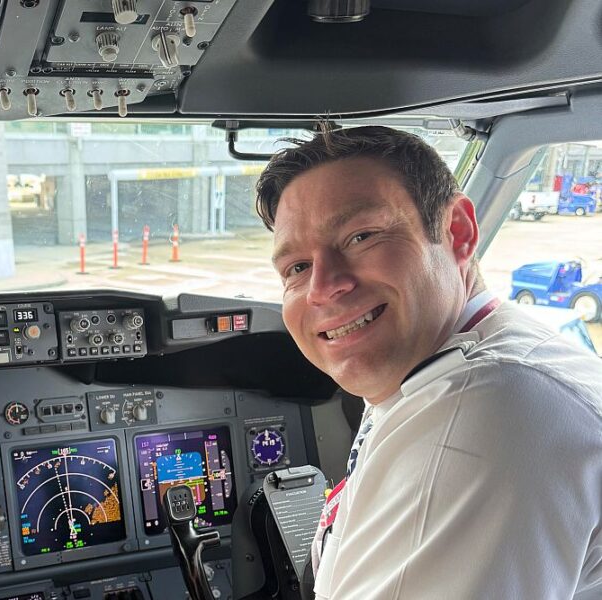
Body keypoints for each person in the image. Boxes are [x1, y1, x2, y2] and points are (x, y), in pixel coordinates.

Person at [255, 126, 602, 599]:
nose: (322, 288)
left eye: (361, 236)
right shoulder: (449, 363)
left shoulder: (486, 409)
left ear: (457, 232)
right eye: (296, 268)